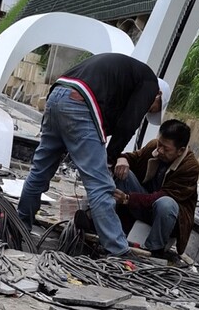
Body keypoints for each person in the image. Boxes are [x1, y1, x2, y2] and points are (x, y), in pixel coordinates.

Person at [17, 52, 170, 256]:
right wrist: (110, 157)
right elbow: (128, 124)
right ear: (158, 95)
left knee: (39, 172)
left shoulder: (124, 77)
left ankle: (18, 229)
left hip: (57, 94)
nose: (148, 110)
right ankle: (118, 254)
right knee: (101, 186)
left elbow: (110, 118)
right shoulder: (150, 83)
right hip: (80, 101)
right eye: (152, 108)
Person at [113, 118, 199, 259]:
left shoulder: (190, 166)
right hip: (144, 204)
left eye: (166, 149)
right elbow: (133, 158)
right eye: (159, 144)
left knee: (166, 203)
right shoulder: (154, 147)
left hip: (165, 217)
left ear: (180, 150)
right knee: (123, 173)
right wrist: (122, 159)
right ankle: (114, 229)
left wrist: (128, 199)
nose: (159, 150)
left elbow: (161, 196)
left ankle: (154, 250)